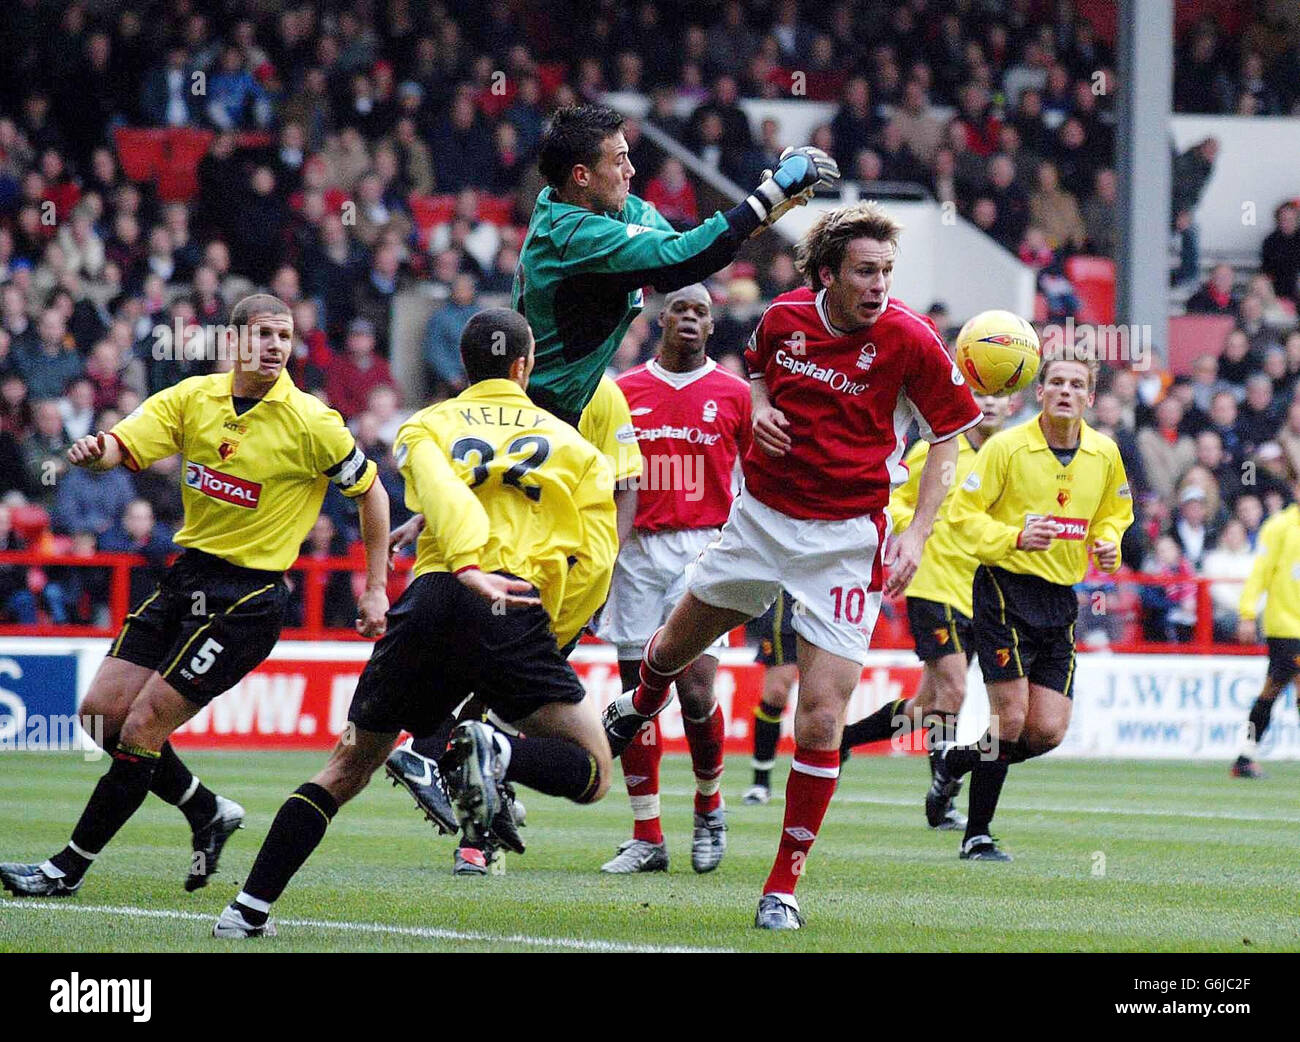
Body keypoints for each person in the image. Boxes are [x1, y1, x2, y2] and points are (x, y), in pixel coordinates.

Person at [602, 202, 983, 929]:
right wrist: (759, 402)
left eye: (886, 273)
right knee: (672, 654)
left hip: (847, 541)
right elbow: (753, 373)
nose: (878, 286)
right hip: (761, 521)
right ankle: (638, 703)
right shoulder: (781, 320)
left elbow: (947, 439)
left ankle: (782, 885)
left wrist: (917, 536)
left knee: (821, 717)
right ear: (827, 276)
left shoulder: (910, 339)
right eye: (865, 272)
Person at [213, 309, 619, 938]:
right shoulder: (577, 450)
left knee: (344, 769)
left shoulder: (426, 423)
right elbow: (596, 559)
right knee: (593, 771)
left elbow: (438, 484)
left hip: (427, 603)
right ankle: (496, 748)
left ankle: (247, 909)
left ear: (465, 368)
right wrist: (549, 631)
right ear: (524, 366)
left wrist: (443, 542)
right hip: (508, 603)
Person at [0, 294, 390, 899]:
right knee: (100, 717)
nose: (276, 347)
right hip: (189, 578)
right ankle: (207, 809)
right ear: (233, 340)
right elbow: (122, 448)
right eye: (263, 334)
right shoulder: (193, 398)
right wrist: (92, 452)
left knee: (144, 722)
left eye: (284, 337)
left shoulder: (313, 422)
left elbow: (372, 494)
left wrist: (374, 587)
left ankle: (64, 869)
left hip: (251, 597)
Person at [515, 103, 838, 426]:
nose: (631, 170)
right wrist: (770, 193)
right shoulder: (577, 238)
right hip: (540, 415)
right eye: (619, 160)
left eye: (628, 156)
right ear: (582, 176)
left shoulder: (578, 202)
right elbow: (681, 261)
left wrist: (763, 211)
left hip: (560, 408)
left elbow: (685, 243)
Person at [934, 355, 1134, 861]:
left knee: (1045, 732)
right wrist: (1014, 536)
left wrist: (1109, 541)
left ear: (1090, 398)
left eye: (1077, 385)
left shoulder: (1105, 453)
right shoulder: (1007, 447)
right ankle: (976, 835)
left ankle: (958, 761)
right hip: (1004, 588)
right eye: (1057, 382)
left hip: (1060, 597)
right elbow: (961, 516)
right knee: (1010, 718)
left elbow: (1115, 512)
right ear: (1040, 391)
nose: (1066, 391)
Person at [595, 284, 751, 875]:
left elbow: (757, 481)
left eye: (702, 313)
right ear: (662, 320)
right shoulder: (621, 392)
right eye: (682, 310)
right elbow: (602, 478)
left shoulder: (735, 396)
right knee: (638, 699)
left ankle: (710, 804)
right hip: (635, 553)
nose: (691, 319)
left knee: (695, 690)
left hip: (703, 550)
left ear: (712, 327)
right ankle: (647, 835)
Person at [837, 393, 1014, 829]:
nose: (990, 402)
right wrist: (912, 527)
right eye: (980, 392)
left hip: (982, 593)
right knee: (953, 692)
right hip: (934, 584)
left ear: (1014, 403)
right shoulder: (939, 449)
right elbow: (894, 498)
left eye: (1000, 394)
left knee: (931, 704)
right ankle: (943, 791)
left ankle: (847, 739)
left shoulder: (1012, 457)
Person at [1231, 473, 1300, 779]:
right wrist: (1247, 613)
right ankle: (1245, 757)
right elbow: (1259, 573)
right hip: (1286, 625)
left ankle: (1245, 755)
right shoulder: (1279, 527)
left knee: (1271, 691)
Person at [740, 588, 800, 805]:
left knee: (821, 699)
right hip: (787, 599)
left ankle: (826, 766)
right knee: (776, 693)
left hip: (828, 595)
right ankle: (760, 782)